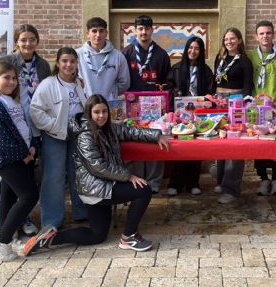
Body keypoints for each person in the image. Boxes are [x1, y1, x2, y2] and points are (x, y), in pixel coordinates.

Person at [23, 95, 170, 255]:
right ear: (89, 114)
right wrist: (128, 176)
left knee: (97, 235)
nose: (101, 116)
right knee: (143, 190)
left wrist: (156, 136)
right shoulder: (85, 135)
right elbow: (98, 167)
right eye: (97, 112)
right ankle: (129, 236)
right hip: (96, 188)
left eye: (104, 111)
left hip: (100, 187)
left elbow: (129, 131)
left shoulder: (108, 127)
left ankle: (50, 239)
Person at [0, 61, 39, 261]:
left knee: (9, 197)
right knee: (29, 196)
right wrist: (24, 154)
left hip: (22, 154)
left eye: (14, 78)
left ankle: (7, 239)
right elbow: (2, 135)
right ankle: (1, 239)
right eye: (6, 78)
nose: (12, 82)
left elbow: (21, 126)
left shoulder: (11, 100)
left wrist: (32, 146)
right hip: (8, 158)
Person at [0, 24, 51, 236]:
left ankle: (25, 217)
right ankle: (7, 224)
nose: (28, 44)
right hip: (14, 124)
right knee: (12, 179)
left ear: (37, 42)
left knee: (29, 175)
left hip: (35, 126)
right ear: (16, 42)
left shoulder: (43, 65)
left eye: (32, 39)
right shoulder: (7, 63)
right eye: (23, 40)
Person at [30, 47, 88, 228]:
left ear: (77, 63)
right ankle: (52, 220)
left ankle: (81, 212)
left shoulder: (79, 83)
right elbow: (35, 111)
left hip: (76, 135)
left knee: (77, 173)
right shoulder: (48, 84)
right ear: (58, 63)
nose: (68, 65)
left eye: (72, 61)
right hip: (55, 136)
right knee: (54, 177)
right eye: (64, 61)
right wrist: (53, 126)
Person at [122, 15, 171, 193]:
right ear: (135, 30)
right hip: (133, 105)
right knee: (136, 140)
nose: (143, 32)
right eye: (140, 28)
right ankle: (138, 180)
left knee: (155, 139)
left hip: (156, 106)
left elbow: (167, 81)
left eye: (147, 28)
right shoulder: (126, 53)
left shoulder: (161, 54)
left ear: (152, 30)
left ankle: (154, 182)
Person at [248, 20, 276, 196]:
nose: (265, 36)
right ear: (256, 36)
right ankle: (263, 179)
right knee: (259, 145)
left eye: (268, 33)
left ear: (273, 34)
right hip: (257, 109)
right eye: (261, 33)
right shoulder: (251, 57)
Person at [166, 37, 215, 196]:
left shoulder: (206, 71)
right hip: (180, 116)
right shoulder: (176, 69)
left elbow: (210, 93)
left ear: (201, 52)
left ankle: (193, 183)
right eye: (190, 48)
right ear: (186, 50)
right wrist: (178, 95)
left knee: (195, 149)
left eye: (196, 49)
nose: (192, 51)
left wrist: (206, 99)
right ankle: (175, 183)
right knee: (179, 148)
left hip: (198, 116)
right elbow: (169, 89)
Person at [213, 27, 254, 204]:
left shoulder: (244, 60)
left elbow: (247, 86)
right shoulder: (220, 58)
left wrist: (243, 105)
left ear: (239, 40)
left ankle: (232, 188)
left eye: (232, 38)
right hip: (219, 101)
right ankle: (221, 182)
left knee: (235, 142)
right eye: (226, 39)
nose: (229, 42)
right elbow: (215, 80)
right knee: (220, 140)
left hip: (236, 102)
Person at [76, 17, 130, 100]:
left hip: (109, 106)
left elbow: (124, 83)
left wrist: (111, 94)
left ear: (106, 33)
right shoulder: (77, 54)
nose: (98, 35)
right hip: (84, 104)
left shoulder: (118, 56)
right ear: (88, 34)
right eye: (94, 31)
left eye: (101, 31)